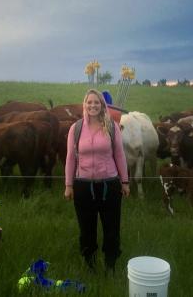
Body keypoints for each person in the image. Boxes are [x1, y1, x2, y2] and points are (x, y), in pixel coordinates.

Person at [64, 89, 130, 272]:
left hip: (109, 185)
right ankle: (89, 263)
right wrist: (68, 185)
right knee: (86, 228)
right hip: (83, 186)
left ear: (102, 105)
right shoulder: (76, 128)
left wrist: (125, 182)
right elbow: (71, 158)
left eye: (96, 102)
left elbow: (119, 154)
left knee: (111, 227)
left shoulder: (111, 126)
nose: (93, 106)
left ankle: (111, 263)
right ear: (84, 104)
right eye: (89, 102)